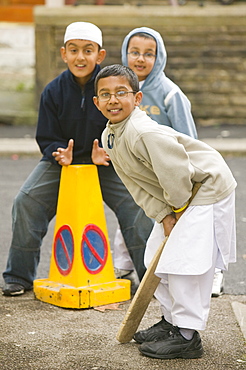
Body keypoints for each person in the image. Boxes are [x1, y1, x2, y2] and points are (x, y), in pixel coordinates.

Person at [92, 64, 237, 359]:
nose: (113, 100)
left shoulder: (142, 131)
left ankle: (187, 335)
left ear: (138, 98)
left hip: (204, 188)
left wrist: (179, 209)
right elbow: (134, 183)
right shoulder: (111, 134)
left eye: (121, 92)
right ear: (96, 102)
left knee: (185, 263)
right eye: (105, 94)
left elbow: (177, 173)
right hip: (178, 198)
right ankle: (171, 322)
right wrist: (163, 214)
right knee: (155, 258)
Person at [1, 22, 153, 297]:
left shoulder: (109, 85)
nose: (80, 57)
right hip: (63, 163)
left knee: (136, 205)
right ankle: (18, 276)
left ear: (100, 55)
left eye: (88, 50)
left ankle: (150, 280)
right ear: (63, 53)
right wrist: (59, 152)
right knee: (26, 202)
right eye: (74, 50)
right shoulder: (53, 91)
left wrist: (108, 148)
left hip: (107, 161)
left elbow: (125, 123)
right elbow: (46, 136)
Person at [114, 26, 224, 296]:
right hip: (145, 171)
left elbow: (188, 137)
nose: (140, 59)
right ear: (125, 54)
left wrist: (188, 173)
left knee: (188, 225)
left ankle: (213, 274)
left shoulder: (170, 94)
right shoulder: (123, 90)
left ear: (159, 57)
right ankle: (123, 266)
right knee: (132, 214)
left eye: (148, 54)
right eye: (134, 52)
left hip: (172, 171)